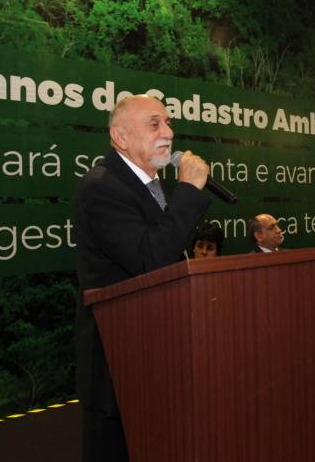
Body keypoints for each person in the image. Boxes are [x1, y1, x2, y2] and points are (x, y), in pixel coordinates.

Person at [74, 95, 211, 462]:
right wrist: (190, 191)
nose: (168, 132)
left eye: (168, 123)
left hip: (162, 353)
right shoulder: (101, 187)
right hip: (119, 363)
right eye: (155, 124)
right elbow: (149, 258)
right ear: (120, 136)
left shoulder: (153, 187)